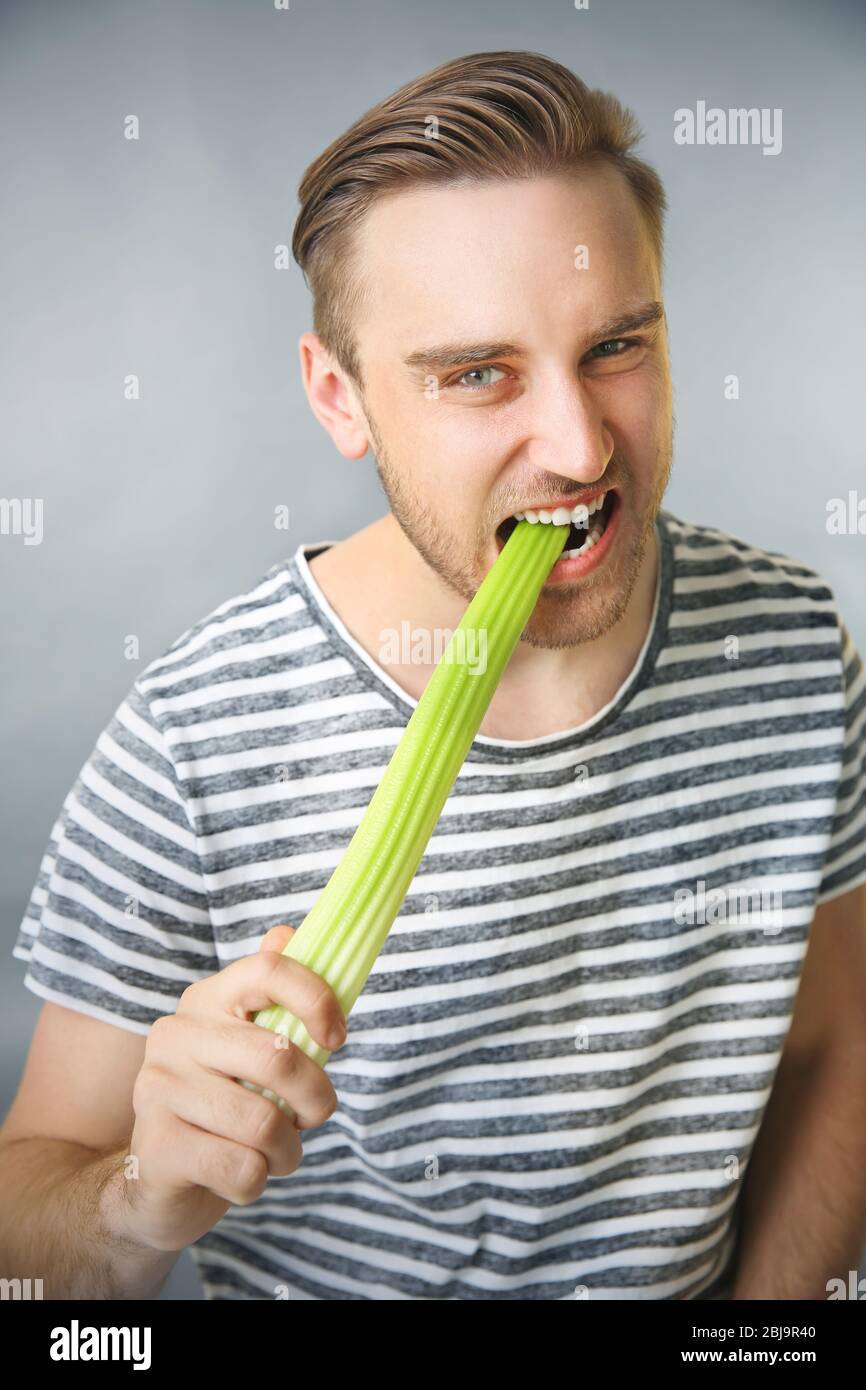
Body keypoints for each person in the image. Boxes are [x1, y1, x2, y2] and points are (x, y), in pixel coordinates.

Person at [2, 50, 865, 1302]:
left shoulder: (787, 645)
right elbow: (32, 1224)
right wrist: (140, 1196)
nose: (577, 449)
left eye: (616, 344)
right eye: (477, 373)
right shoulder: (196, 736)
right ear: (338, 397)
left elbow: (833, 1046)